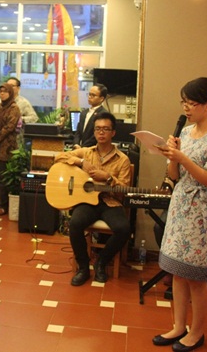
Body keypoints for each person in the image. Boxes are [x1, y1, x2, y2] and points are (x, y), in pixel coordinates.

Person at [153, 77, 207, 352]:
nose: (186, 108)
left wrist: (183, 158)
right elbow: (173, 176)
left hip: (202, 214)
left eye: (191, 103)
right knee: (178, 272)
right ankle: (178, 326)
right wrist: (172, 156)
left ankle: (197, 333)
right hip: (180, 207)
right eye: (183, 102)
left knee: (196, 277)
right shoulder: (185, 133)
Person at [54, 112, 131, 286]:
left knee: (124, 228)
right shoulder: (86, 152)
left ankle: (101, 262)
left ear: (113, 132)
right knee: (75, 223)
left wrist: (108, 178)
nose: (101, 132)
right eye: (98, 129)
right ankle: (83, 267)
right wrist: (81, 162)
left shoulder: (123, 160)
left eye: (106, 129)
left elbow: (125, 189)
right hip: (87, 201)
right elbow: (59, 157)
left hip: (110, 202)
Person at [0, 76, 37, 196]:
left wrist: (19, 119)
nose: (7, 89)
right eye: (5, 86)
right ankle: (0, 191)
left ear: (18, 88)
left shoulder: (23, 103)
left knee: (7, 169)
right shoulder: (0, 103)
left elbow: (34, 118)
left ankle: (8, 194)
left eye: (11, 86)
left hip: (14, 141)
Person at [0, 83, 21, 216]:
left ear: (10, 93)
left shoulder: (14, 108)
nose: (2, 93)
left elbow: (9, 127)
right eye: (0, 91)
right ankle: (1, 202)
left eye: (5, 91)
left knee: (3, 178)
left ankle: (5, 205)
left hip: (6, 148)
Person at [73, 84, 108, 149]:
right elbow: (78, 132)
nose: (89, 97)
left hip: (93, 149)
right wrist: (76, 144)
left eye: (93, 95)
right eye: (89, 94)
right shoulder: (84, 112)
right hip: (78, 149)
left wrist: (83, 147)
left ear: (101, 99)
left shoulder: (104, 114)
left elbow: (97, 135)